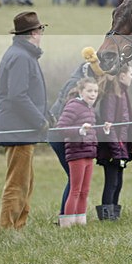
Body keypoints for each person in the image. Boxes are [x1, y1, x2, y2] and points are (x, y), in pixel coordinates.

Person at [0, 11, 51, 230]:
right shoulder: (20, 56)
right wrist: (40, 121)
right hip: (18, 128)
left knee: (26, 182)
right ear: (33, 33)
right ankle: (7, 228)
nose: (41, 33)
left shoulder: (23, 54)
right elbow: (17, 95)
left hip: (23, 129)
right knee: (17, 183)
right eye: (40, 29)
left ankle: (19, 224)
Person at [50, 47, 104, 216]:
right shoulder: (76, 88)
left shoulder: (86, 88)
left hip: (77, 137)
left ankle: (73, 216)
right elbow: (64, 119)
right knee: (74, 182)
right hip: (64, 136)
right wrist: (78, 131)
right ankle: (65, 216)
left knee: (78, 183)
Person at [56, 77, 108, 227]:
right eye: (89, 91)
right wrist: (79, 130)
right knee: (75, 189)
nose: (93, 94)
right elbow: (60, 128)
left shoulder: (90, 108)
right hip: (76, 152)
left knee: (85, 190)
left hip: (89, 153)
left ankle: (80, 223)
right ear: (81, 91)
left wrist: (103, 130)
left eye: (96, 91)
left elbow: (90, 131)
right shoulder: (74, 106)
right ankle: (67, 224)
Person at [95, 64, 132, 221]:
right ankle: (106, 216)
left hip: (120, 146)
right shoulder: (112, 95)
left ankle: (114, 215)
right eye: (130, 73)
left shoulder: (123, 93)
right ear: (122, 75)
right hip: (111, 147)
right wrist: (117, 150)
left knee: (118, 181)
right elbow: (109, 124)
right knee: (111, 182)